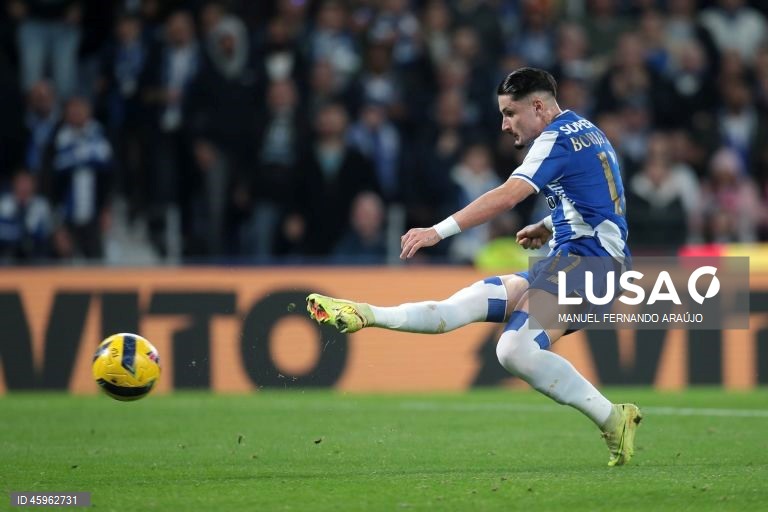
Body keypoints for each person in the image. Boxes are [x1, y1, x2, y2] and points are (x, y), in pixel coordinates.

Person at [306, 67, 642, 466]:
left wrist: (437, 231)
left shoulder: (554, 139)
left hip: (591, 264)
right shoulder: (587, 130)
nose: (504, 124)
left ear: (538, 106)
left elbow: (507, 196)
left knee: (514, 350)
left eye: (510, 113)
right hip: (577, 257)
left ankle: (612, 418)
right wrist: (549, 224)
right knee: (462, 305)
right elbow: (602, 198)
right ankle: (364, 314)